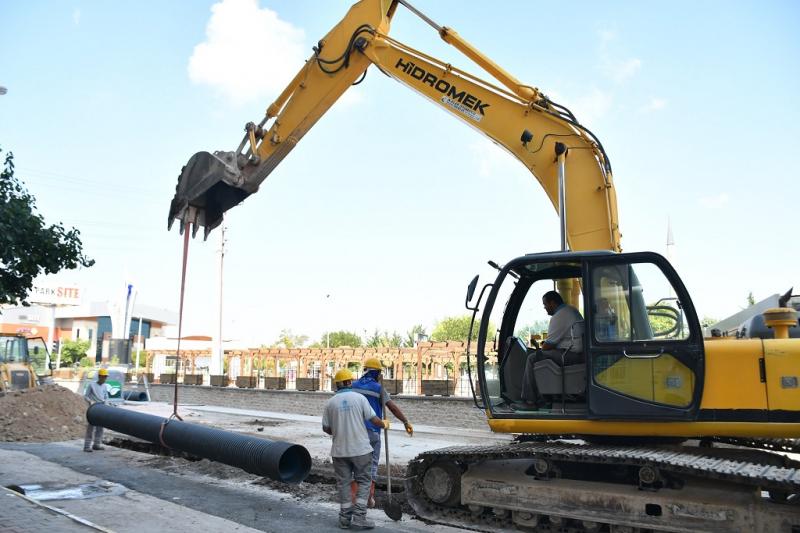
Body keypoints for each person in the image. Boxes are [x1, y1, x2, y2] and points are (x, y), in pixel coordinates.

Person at [323, 368, 388, 530]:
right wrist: (385, 424)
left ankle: (344, 519)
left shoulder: (330, 403)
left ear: (337, 384)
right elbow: (374, 420)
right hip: (360, 450)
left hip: (339, 451)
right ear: (348, 382)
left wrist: (337, 429)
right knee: (364, 481)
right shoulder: (359, 399)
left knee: (344, 483)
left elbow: (326, 428)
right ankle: (359, 517)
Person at [351, 358, 413, 507]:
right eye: (379, 372)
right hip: (372, 431)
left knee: (355, 465)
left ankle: (353, 498)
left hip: (354, 432)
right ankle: (368, 499)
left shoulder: (352, 386)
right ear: (377, 373)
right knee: (371, 465)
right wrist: (405, 422)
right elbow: (393, 408)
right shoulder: (378, 388)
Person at [517, 291, 584, 409]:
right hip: (577, 353)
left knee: (532, 358)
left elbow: (548, 346)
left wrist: (540, 349)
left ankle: (530, 401)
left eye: (545, 304)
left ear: (552, 303)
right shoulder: (570, 310)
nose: (544, 308)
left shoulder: (559, 316)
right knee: (540, 356)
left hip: (571, 355)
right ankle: (545, 398)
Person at [83, 368, 110, 452]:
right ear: (99, 376)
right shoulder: (91, 385)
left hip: (101, 408)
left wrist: (106, 403)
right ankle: (87, 446)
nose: (105, 379)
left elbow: (106, 396)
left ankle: (97, 444)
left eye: (106, 377)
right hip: (93, 408)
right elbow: (86, 396)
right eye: (103, 377)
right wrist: (91, 401)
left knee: (100, 428)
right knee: (91, 427)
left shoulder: (105, 386)